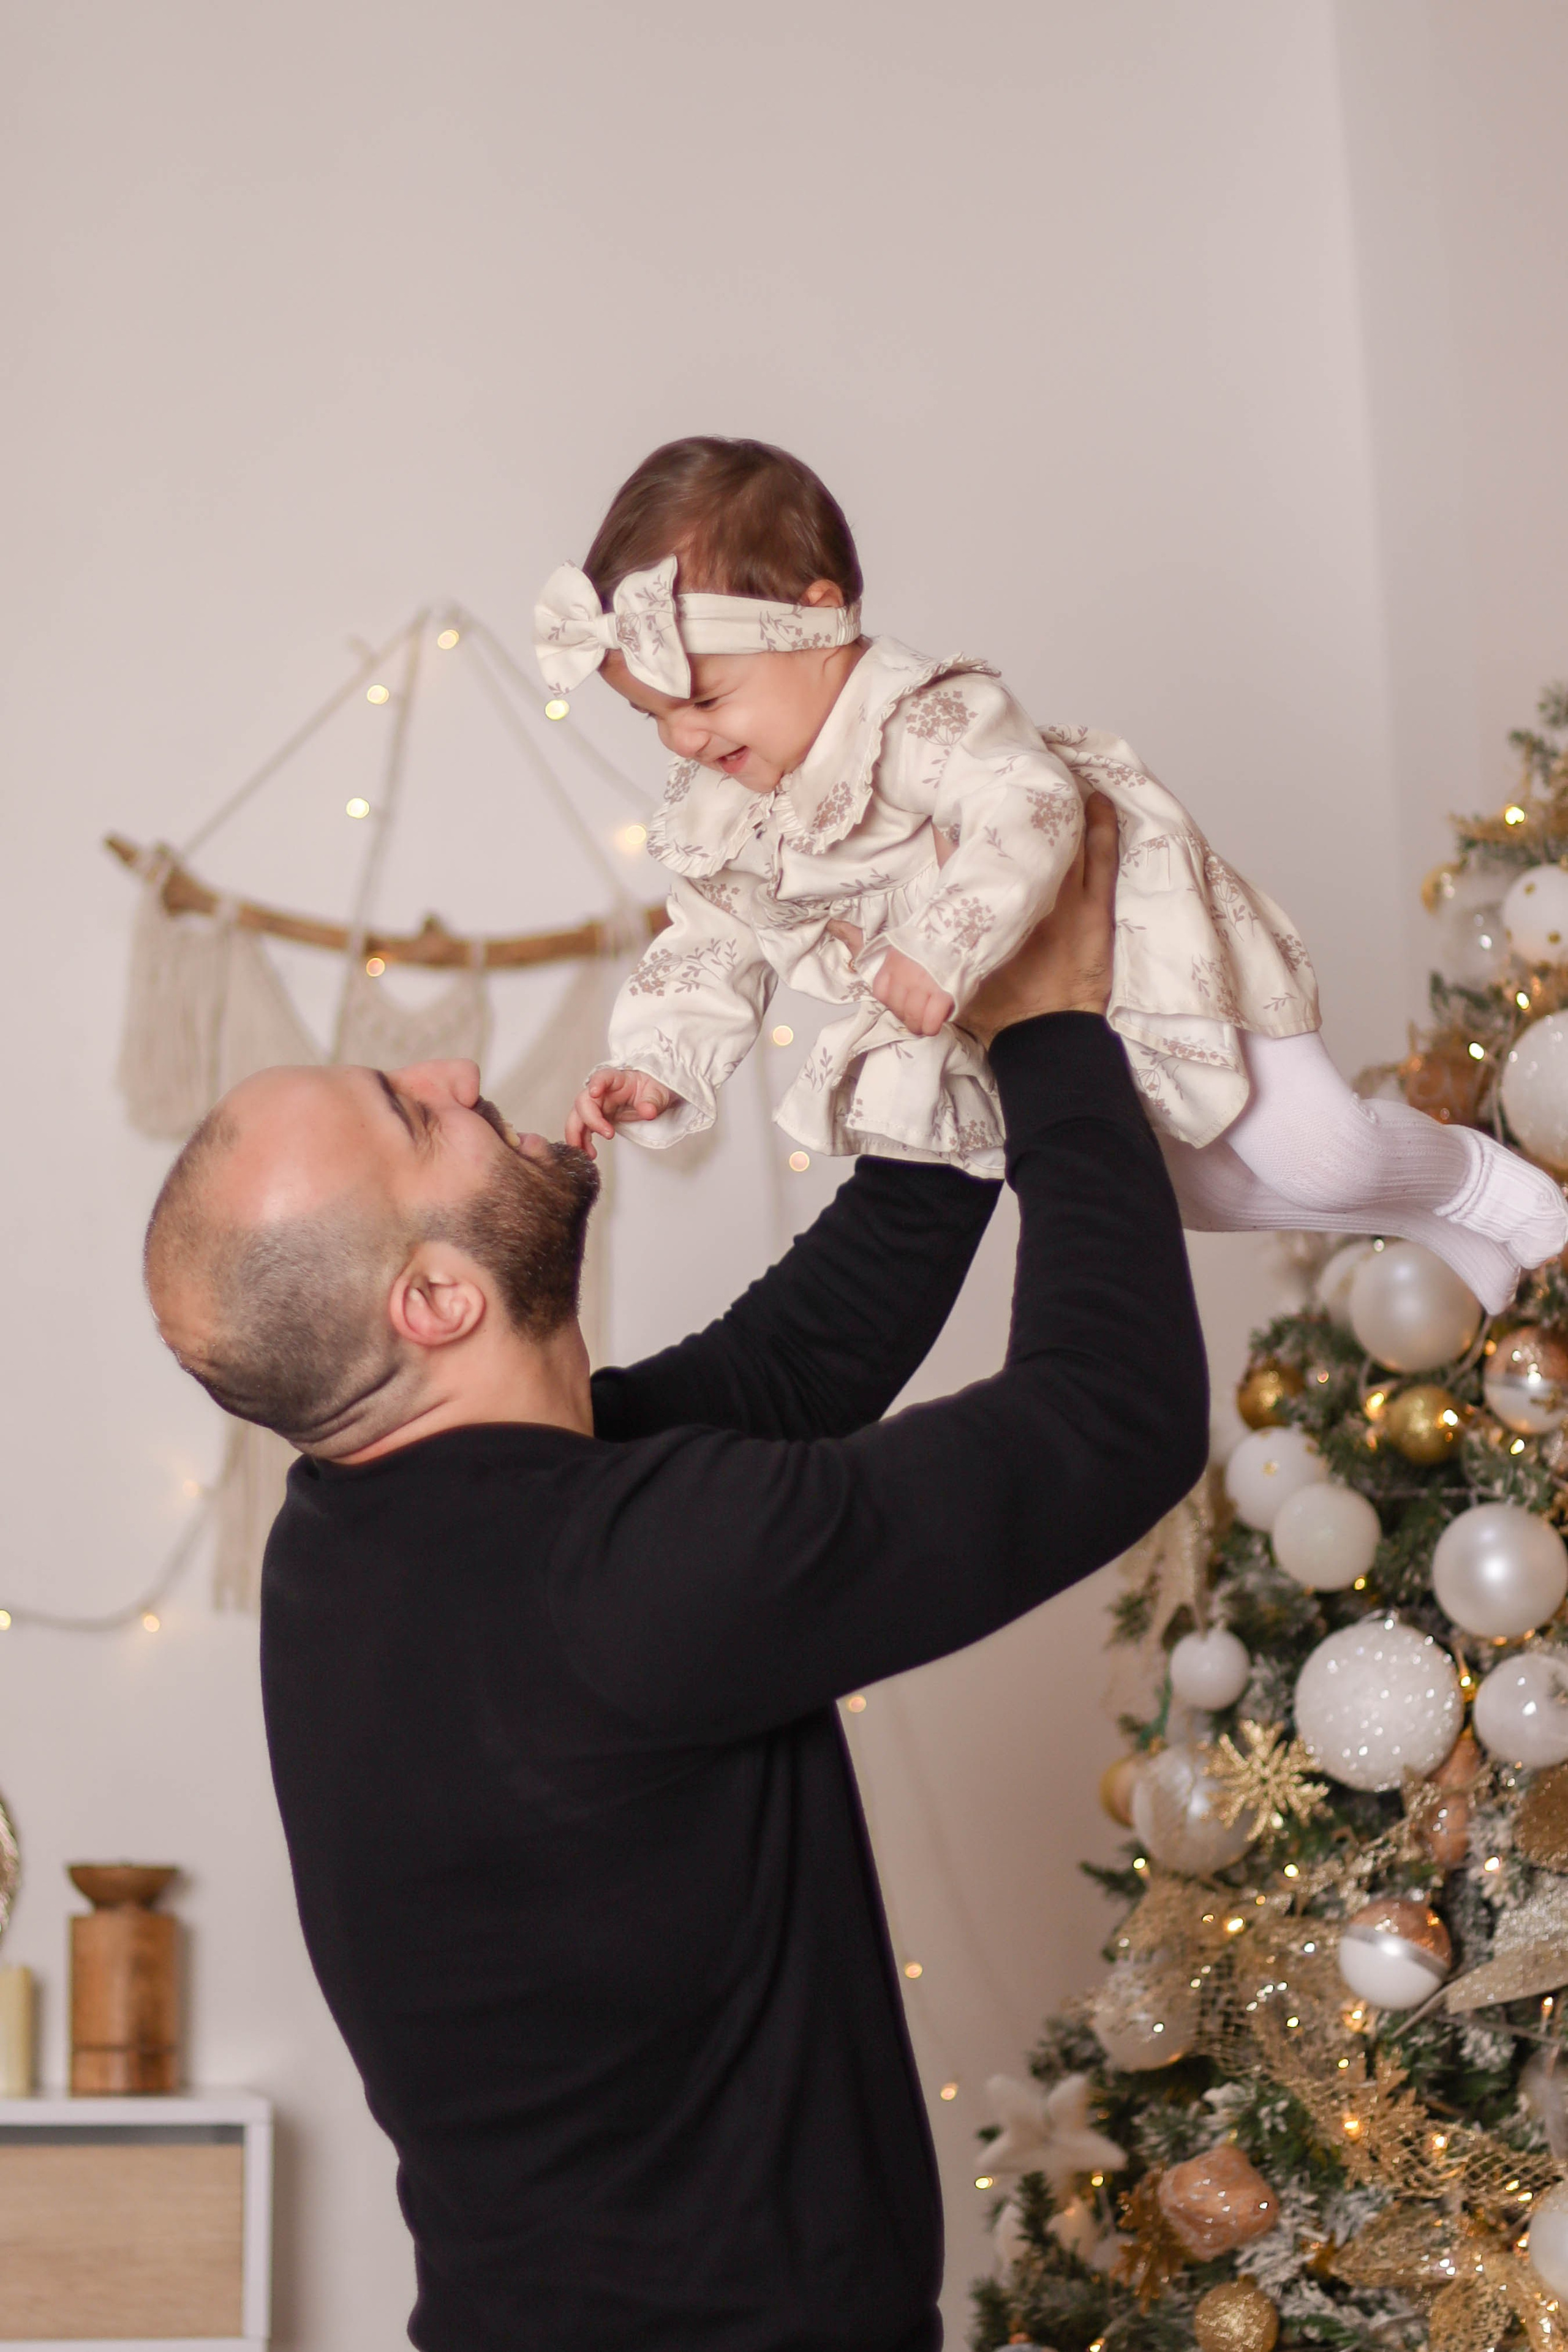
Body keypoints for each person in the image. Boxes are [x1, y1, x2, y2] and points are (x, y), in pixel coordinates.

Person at [143, 799, 1207, 2352]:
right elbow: (1109, 1421)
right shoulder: (620, 1574)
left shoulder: (376, 1519)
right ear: (435, 1298)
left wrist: (946, 1004)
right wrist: (1050, 1028)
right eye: (410, 1113)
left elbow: (796, 1361)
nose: (452, 1071)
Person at [538, 435, 1566, 1312]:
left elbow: (1031, 811)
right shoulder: (734, 811)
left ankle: (1469, 1176)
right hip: (1053, 1027)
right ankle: (1447, 1227)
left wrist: (939, 942)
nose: (681, 737)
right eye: (651, 716)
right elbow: (711, 941)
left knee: (1321, 1154)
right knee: (1200, 1198)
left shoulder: (929, 719)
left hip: (1148, 949)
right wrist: (661, 1060)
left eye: (706, 697)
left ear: (822, 621)